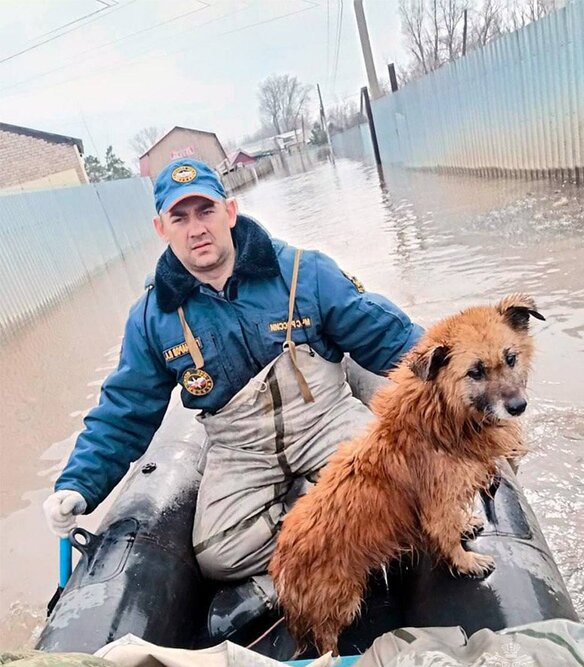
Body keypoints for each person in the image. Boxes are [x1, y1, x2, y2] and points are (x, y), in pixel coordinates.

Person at [42, 158, 423, 587]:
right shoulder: (152, 318)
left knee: (403, 486)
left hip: (325, 422)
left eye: (206, 211)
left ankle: (313, 550)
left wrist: (463, 385)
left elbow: (390, 339)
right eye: (179, 217)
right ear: (161, 229)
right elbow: (125, 410)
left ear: (230, 211)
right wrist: (79, 483)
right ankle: (325, 537)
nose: (196, 228)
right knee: (219, 557)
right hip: (242, 449)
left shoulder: (304, 271)